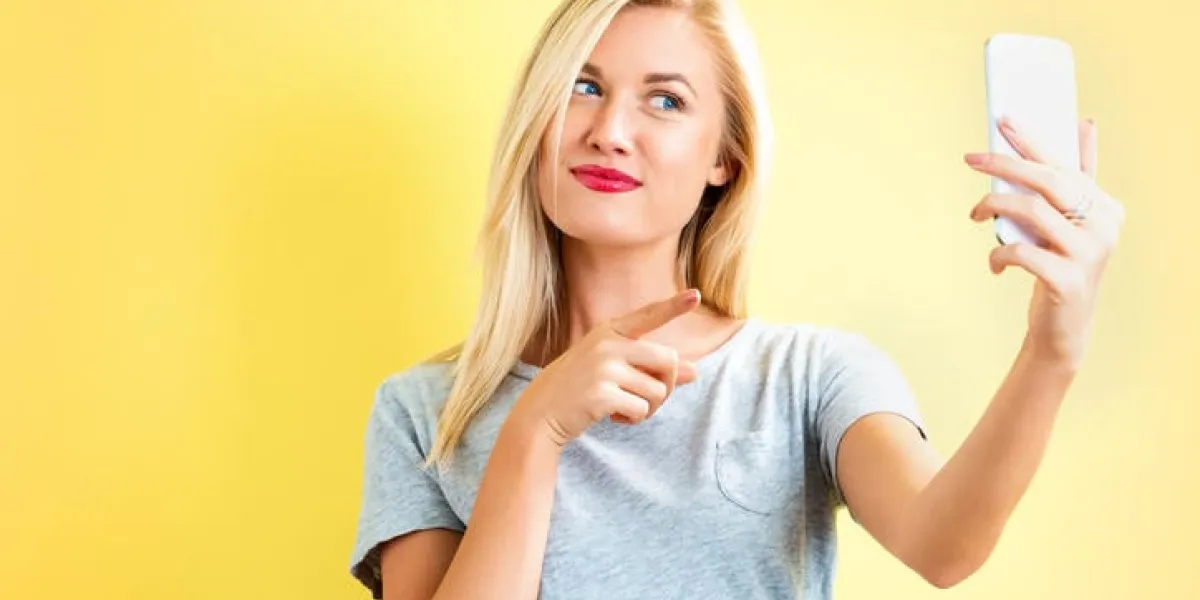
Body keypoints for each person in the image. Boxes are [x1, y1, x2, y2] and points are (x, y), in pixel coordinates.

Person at [348, 1, 1126, 598]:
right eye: (583, 87)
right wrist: (537, 429)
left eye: (665, 101)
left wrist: (1053, 353)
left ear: (724, 157)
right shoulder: (421, 415)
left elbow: (944, 544)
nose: (611, 131)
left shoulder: (810, 378)